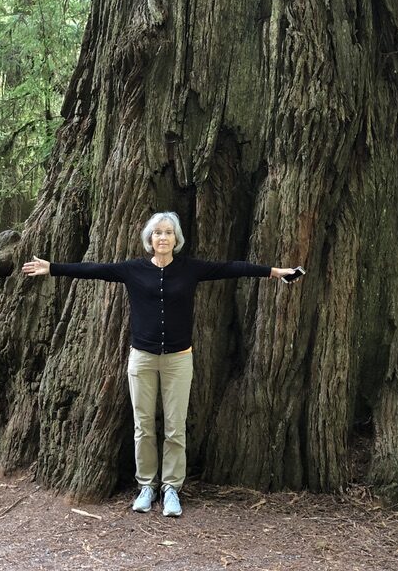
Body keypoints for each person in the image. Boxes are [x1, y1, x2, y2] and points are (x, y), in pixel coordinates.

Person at [22, 211, 299, 517]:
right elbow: (95, 269)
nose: (163, 237)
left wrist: (274, 272)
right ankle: (146, 487)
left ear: (176, 239)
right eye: (157, 233)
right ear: (149, 239)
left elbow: (232, 268)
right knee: (143, 426)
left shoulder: (190, 269)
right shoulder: (133, 270)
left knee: (174, 427)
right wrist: (53, 268)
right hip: (141, 358)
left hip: (179, 359)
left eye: (168, 232)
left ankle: (171, 489)